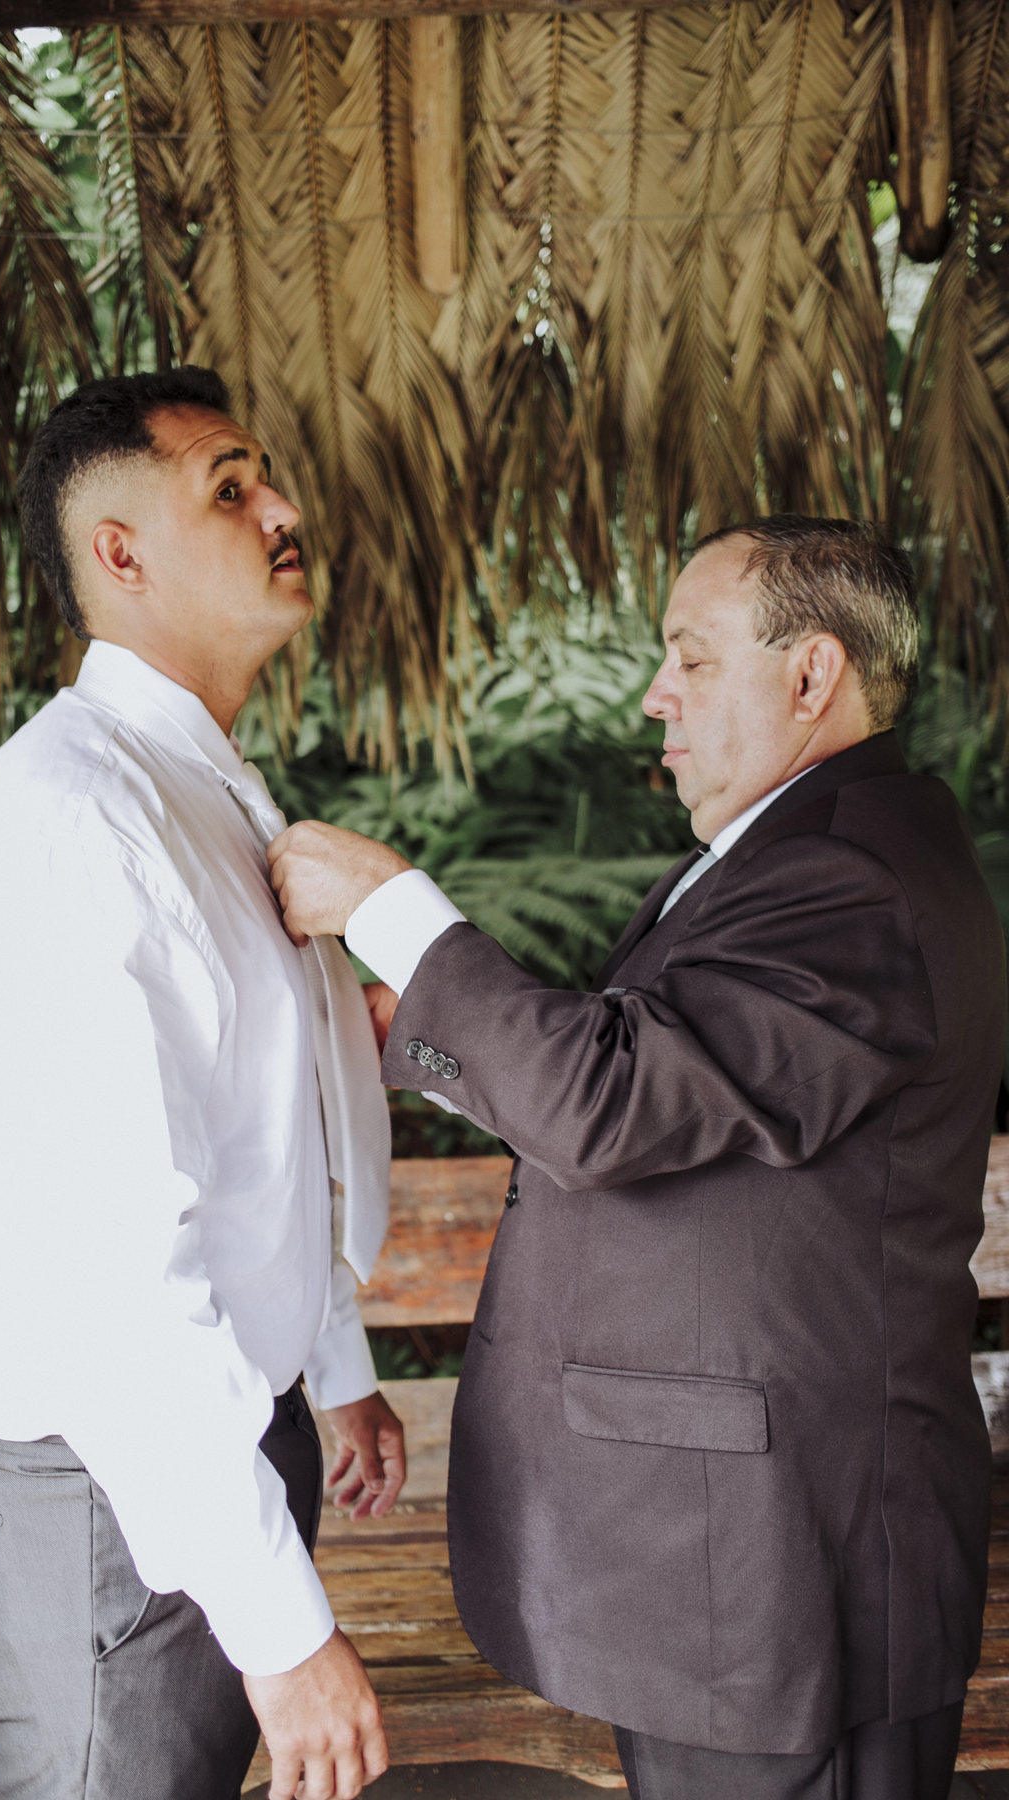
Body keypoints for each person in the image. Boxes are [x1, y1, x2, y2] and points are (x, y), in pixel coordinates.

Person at [267, 517, 1007, 1800]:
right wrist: (430, 1038)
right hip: (723, 1563)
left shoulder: (851, 878)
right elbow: (680, 1096)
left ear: (811, 674)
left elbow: (609, 1100)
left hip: (782, 1574)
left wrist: (394, 909)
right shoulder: (803, 850)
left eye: (692, 659)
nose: (657, 696)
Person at [0, 366, 400, 1800]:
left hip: (214, 1437)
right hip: (95, 1486)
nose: (282, 509)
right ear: (120, 555)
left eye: (266, 478)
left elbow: (262, 1126)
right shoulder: (68, 824)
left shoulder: (201, 783)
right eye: (229, 488)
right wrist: (286, 1635)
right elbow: (105, 1274)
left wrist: (334, 1368)